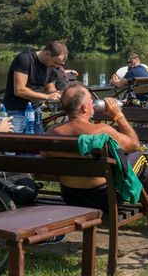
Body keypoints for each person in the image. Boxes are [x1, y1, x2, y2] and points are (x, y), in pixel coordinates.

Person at [42, 83, 142, 212]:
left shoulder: (52, 132)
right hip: (104, 200)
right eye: (91, 99)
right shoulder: (102, 131)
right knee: (138, 156)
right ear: (84, 108)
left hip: (70, 197)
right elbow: (134, 144)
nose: (93, 103)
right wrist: (118, 115)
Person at [3, 40, 67, 134]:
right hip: (16, 110)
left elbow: (49, 88)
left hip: (35, 109)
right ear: (47, 53)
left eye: (59, 64)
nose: (57, 66)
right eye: (55, 62)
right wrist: (47, 97)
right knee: (14, 141)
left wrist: (58, 94)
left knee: (37, 141)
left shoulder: (50, 67)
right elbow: (19, 90)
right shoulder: (25, 59)